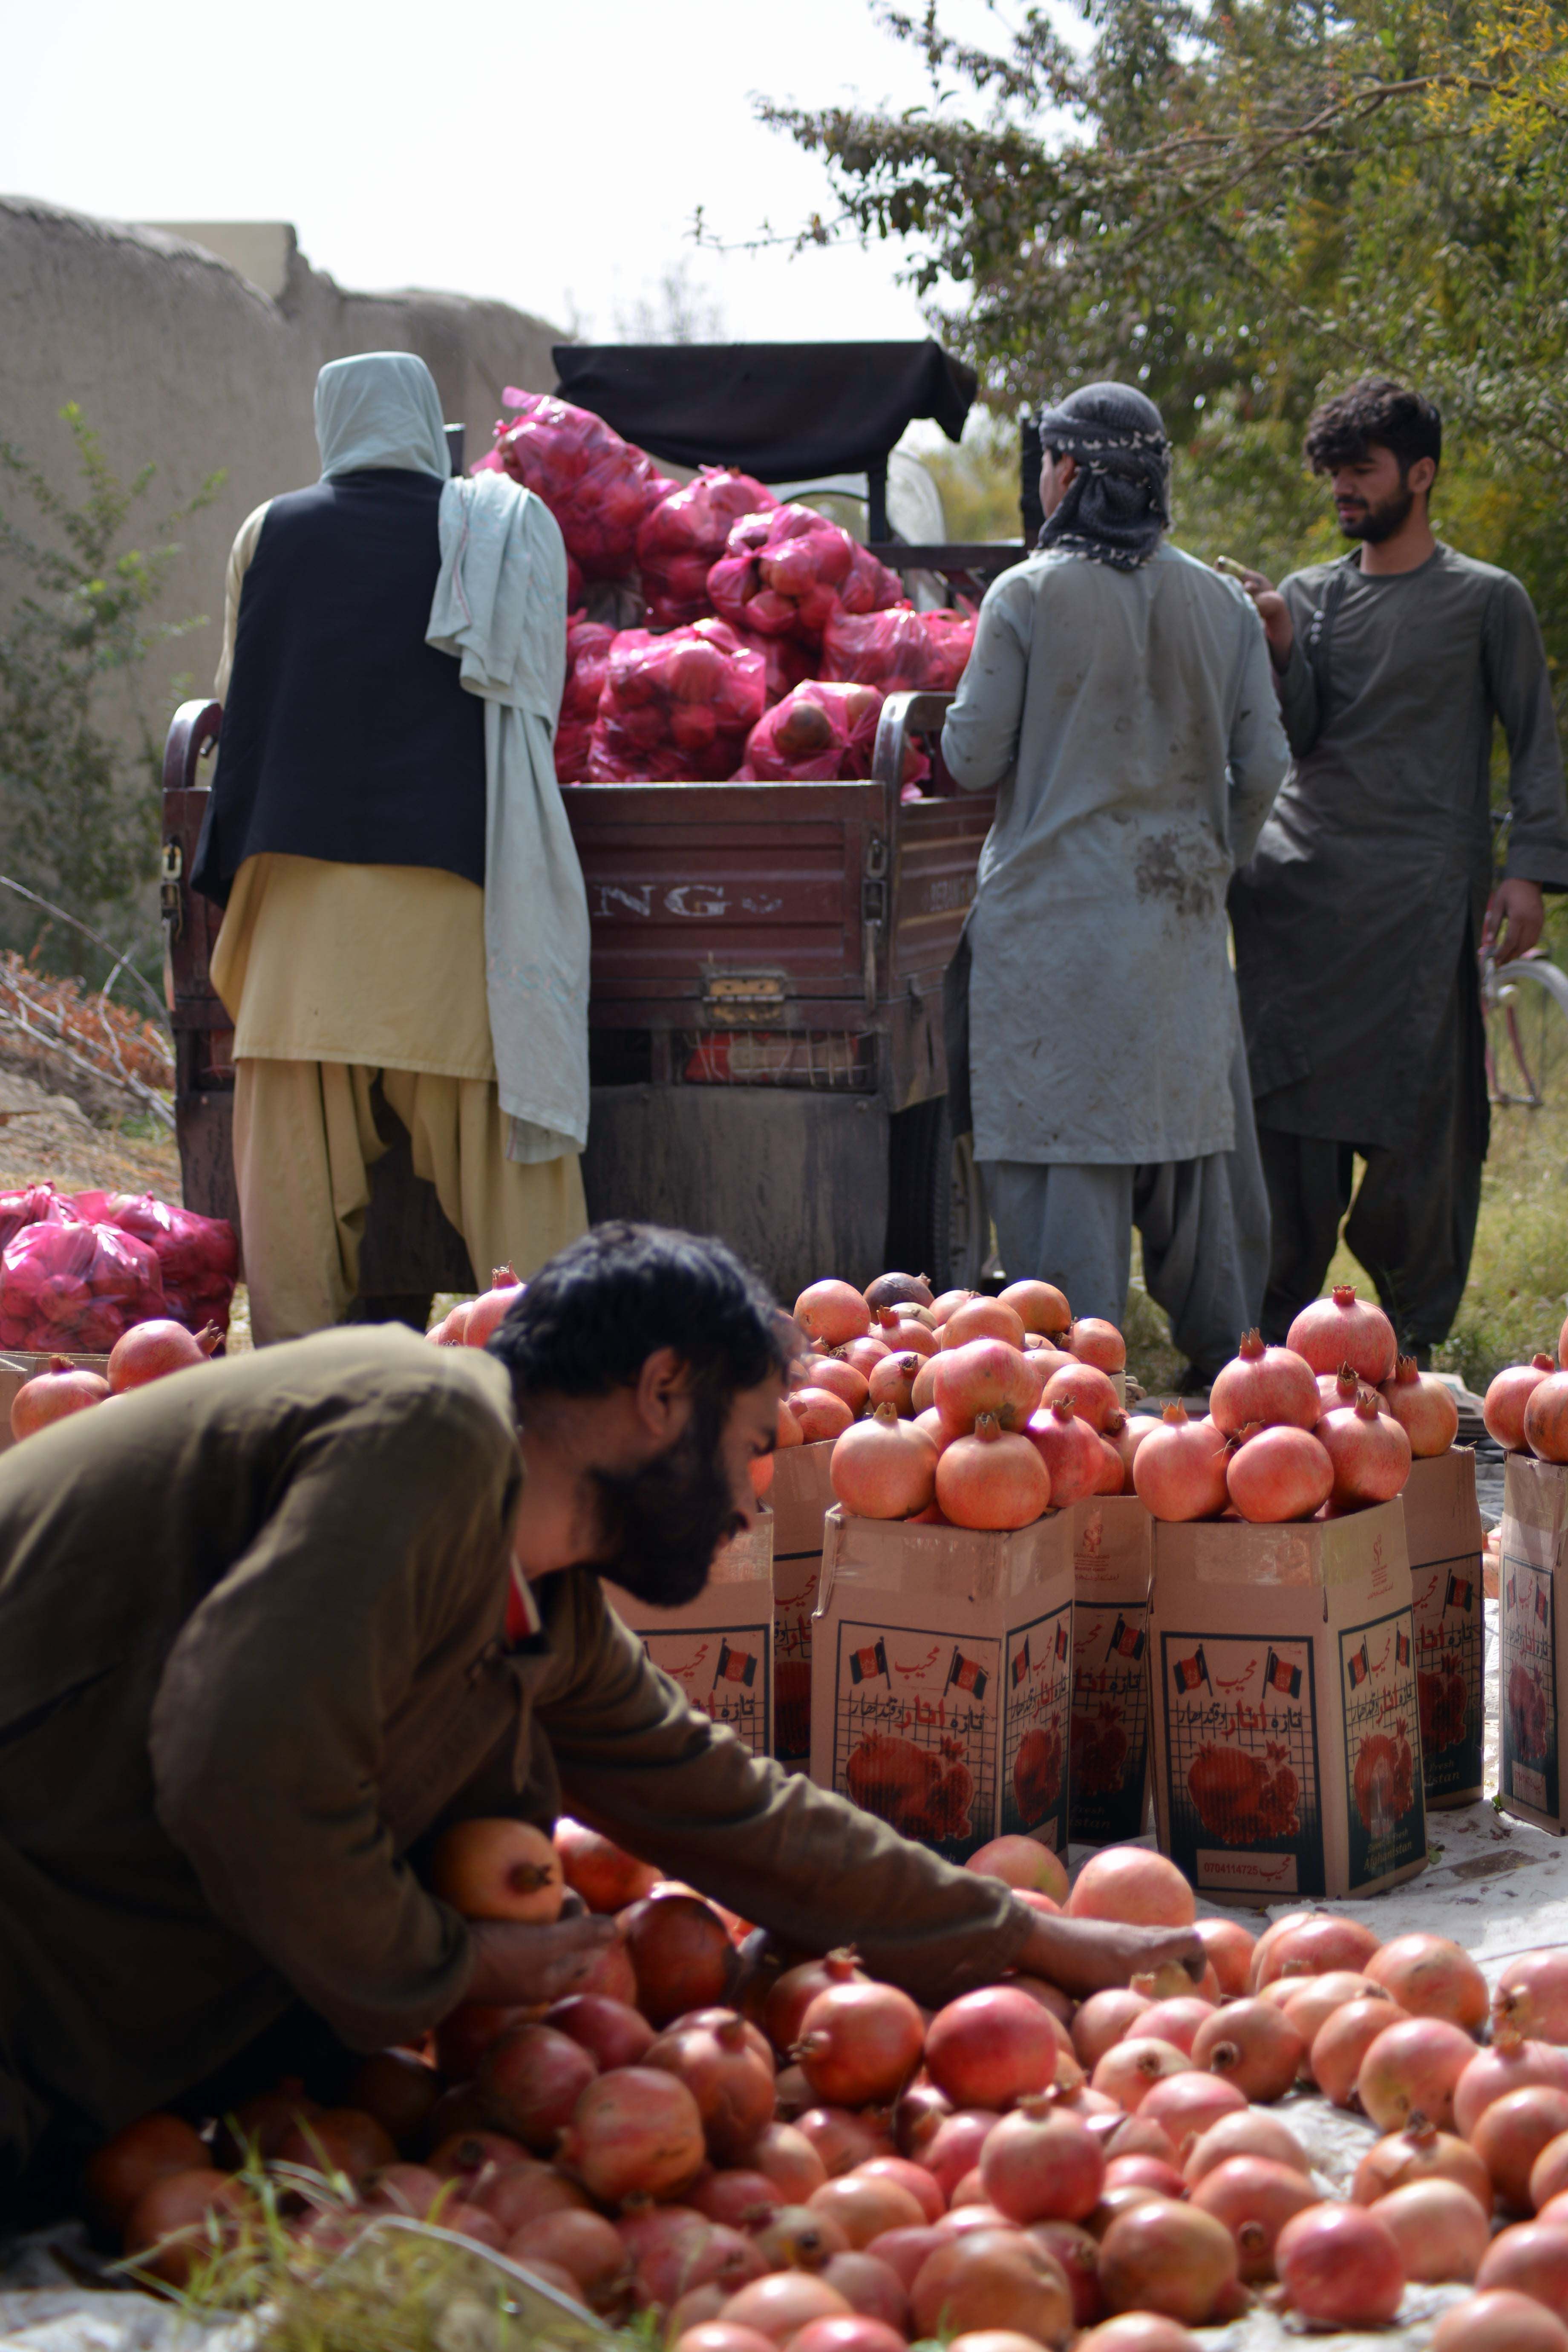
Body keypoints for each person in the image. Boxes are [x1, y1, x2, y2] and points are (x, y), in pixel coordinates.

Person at [0, 1222, 1199, 2202]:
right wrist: (456, 1964)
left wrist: (1028, 1936)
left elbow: (732, 1808)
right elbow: (241, 1763)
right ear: (662, 1391)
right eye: (750, 1447)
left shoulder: (542, 1600)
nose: (751, 1503)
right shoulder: (428, 1425)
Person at [193, 351, 591, 1346]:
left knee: (292, 1204)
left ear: (333, 425)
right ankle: (570, 1367)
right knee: (516, 1188)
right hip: (451, 918)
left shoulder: (267, 532)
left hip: (299, 924)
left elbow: (241, 694)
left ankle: (299, 1395)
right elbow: (540, 690)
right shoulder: (501, 528)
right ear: (422, 421)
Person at [942, 382, 1289, 1384]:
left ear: (1065, 472)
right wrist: (1212, 861)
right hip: (1178, 926)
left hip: (1051, 937)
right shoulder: (1222, 604)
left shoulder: (1025, 595)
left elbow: (970, 757)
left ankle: (1076, 1392)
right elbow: (1265, 765)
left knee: (1065, 1163)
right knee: (1193, 1142)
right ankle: (1234, 1378)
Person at [1230, 378, 1568, 1355]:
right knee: (1282, 1110)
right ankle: (1267, 1330)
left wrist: (1527, 873)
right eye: (1333, 472)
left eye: (1361, 470)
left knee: (1421, 1121)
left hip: (1420, 900)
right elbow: (1295, 739)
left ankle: (1409, 1332)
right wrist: (1281, 645)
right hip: (1295, 898)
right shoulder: (1307, 595)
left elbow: (1534, 743)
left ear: (1420, 475)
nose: (1343, 487)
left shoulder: (1486, 599)